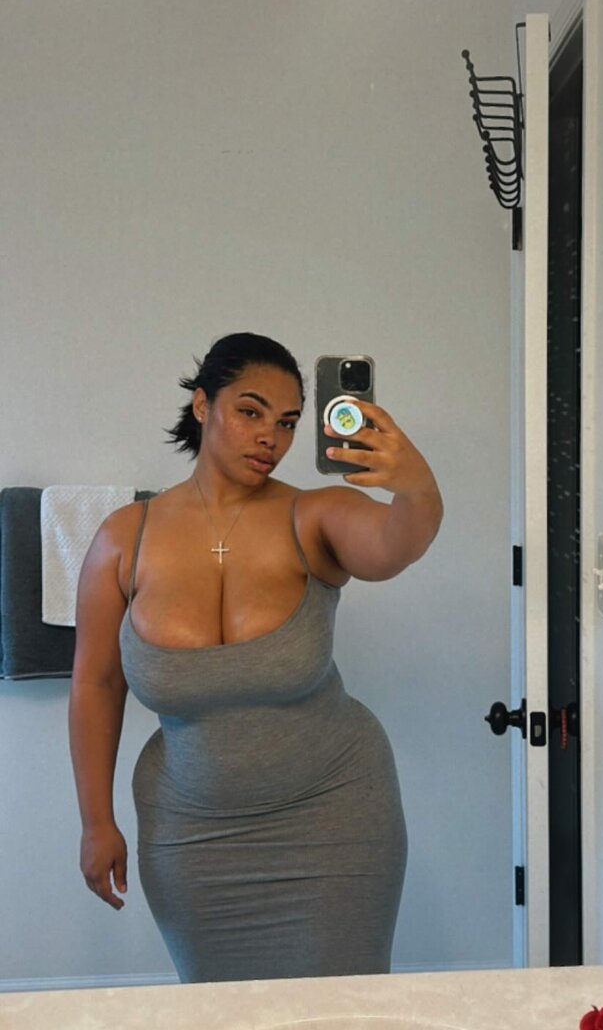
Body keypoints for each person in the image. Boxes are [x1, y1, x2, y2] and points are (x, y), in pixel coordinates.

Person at [68, 332, 443, 983]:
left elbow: (394, 546)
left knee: (341, 1016)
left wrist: (417, 488)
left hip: (335, 817)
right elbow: (96, 684)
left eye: (288, 422)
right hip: (191, 837)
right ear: (202, 405)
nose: (271, 436)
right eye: (251, 411)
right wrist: (95, 822)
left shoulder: (313, 516)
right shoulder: (125, 538)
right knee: (222, 1014)